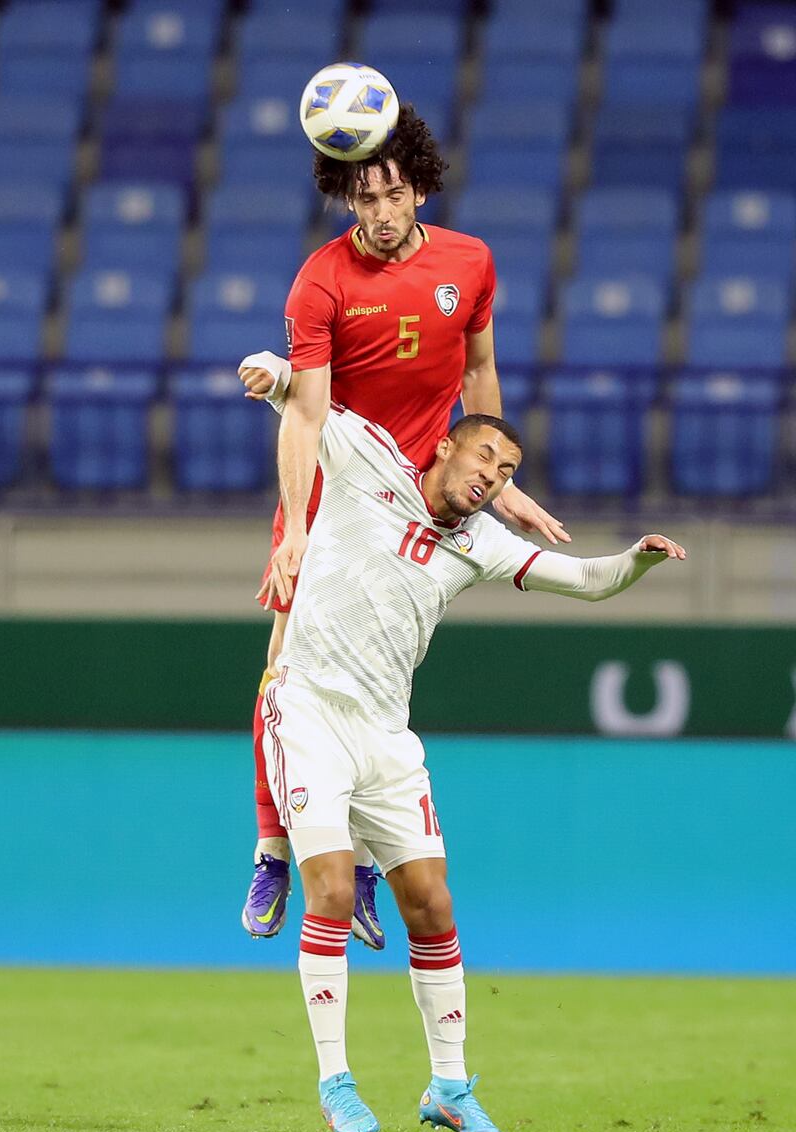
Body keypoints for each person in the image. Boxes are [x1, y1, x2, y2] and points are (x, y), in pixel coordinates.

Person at [251, 351, 686, 1132]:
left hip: (387, 735)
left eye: (508, 468)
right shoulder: (370, 460)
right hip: (309, 708)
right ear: (447, 445)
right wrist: (269, 370)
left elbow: (584, 579)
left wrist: (636, 560)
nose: (493, 473)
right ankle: (337, 1082)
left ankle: (449, 1085)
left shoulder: (480, 542)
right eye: (485, 453)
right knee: (335, 895)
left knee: (432, 903)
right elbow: (302, 399)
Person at [240, 103, 570, 947]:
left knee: (381, 673)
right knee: (285, 665)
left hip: (422, 487)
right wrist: (293, 531)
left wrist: (492, 481)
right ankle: (274, 848)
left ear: (419, 186)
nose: (380, 213)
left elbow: (482, 368)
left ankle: (361, 866)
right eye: (362, 199)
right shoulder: (321, 280)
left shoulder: (471, 262)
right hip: (338, 484)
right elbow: (306, 415)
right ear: (345, 199)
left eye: (391, 194)